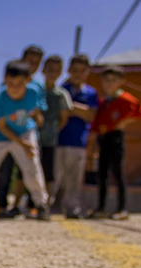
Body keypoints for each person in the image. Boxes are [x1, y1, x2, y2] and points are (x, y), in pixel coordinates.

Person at [0, 60, 50, 221]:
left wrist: (35, 127)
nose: (15, 88)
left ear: (28, 80)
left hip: (24, 132)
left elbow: (34, 112)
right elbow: (2, 126)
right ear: (4, 79)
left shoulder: (33, 93)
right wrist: (21, 144)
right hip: (0, 136)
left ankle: (41, 204)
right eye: (11, 83)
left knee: (32, 169)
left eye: (20, 83)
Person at [88, 65, 141, 220]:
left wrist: (126, 121)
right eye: (106, 80)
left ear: (121, 81)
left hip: (116, 137)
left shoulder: (125, 98)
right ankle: (101, 208)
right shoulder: (103, 102)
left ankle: (121, 209)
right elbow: (96, 124)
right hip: (103, 139)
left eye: (113, 80)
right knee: (101, 174)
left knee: (117, 173)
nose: (109, 83)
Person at [0, 45, 47, 217]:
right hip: (6, 133)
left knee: (29, 170)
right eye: (29, 61)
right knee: (5, 169)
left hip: (25, 133)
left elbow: (39, 110)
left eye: (36, 62)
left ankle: (36, 204)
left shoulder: (38, 86)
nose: (33, 65)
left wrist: (37, 118)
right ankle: (1, 204)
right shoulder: (9, 80)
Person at [51, 54, 99, 218]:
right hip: (59, 140)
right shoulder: (61, 89)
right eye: (75, 70)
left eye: (82, 70)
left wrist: (71, 107)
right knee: (55, 176)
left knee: (75, 178)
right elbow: (61, 112)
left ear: (87, 72)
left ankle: (72, 207)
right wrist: (80, 110)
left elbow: (91, 115)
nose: (78, 74)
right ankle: (49, 206)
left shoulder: (91, 93)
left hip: (79, 141)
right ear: (69, 70)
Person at [39, 55, 73, 195]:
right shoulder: (35, 91)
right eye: (50, 69)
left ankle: (44, 203)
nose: (52, 73)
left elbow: (64, 119)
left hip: (50, 141)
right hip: (32, 139)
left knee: (47, 173)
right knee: (27, 172)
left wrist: (52, 130)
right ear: (43, 70)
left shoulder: (61, 94)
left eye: (56, 70)